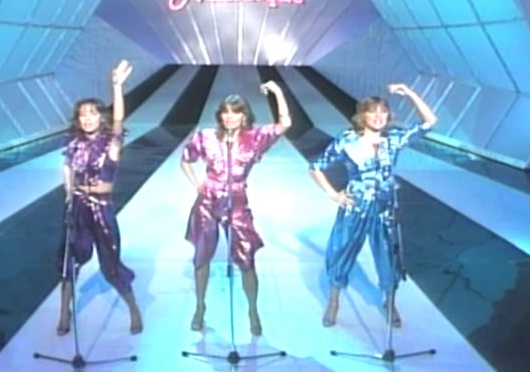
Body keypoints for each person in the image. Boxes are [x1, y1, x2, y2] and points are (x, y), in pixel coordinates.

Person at [309, 83, 437, 328]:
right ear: (362, 115)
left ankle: (389, 301)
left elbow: (429, 122)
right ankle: (334, 301)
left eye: (383, 112)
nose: (379, 117)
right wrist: (334, 195)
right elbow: (316, 168)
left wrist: (410, 93)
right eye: (372, 112)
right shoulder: (347, 141)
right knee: (341, 250)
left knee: (388, 255)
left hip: (385, 208)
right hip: (356, 206)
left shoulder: (393, 140)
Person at [180, 82, 291, 336]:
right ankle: (200, 307)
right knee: (201, 258)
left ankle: (253, 310)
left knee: (247, 261)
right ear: (220, 116)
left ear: (244, 116)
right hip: (207, 202)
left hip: (237, 202)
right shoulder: (205, 137)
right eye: (225, 112)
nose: (230, 117)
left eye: (235, 112)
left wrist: (277, 92)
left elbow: (285, 123)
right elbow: (185, 160)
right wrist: (197, 184)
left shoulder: (255, 139)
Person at [56, 59, 143, 336]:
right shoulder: (74, 144)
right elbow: (67, 167)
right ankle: (64, 312)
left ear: (100, 117)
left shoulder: (110, 144)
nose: (87, 119)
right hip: (78, 208)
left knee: (110, 265)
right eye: (83, 115)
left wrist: (116, 86)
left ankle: (133, 308)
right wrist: (68, 193)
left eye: (92, 114)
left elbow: (118, 122)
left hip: (101, 210)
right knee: (69, 261)